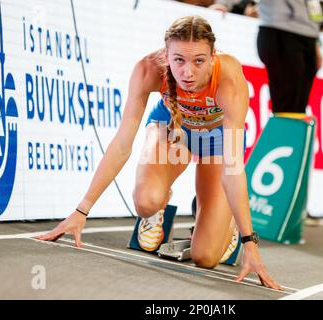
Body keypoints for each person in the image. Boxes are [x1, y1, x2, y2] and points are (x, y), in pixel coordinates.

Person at [36, 15, 282, 290]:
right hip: (173, 126)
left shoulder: (229, 80)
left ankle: (228, 226)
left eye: (198, 61)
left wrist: (250, 244)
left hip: (216, 138)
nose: (187, 72)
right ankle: (157, 209)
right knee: (146, 200)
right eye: (179, 60)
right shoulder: (148, 69)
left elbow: (232, 170)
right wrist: (82, 210)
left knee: (206, 257)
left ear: (213, 56)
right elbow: (121, 145)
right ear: (166, 55)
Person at [257, 0, 323, 114]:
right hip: (280, 29)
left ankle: (290, 131)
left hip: (309, 36)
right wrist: (225, 3)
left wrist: (316, 41)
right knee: (286, 107)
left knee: (298, 109)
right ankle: (283, 131)